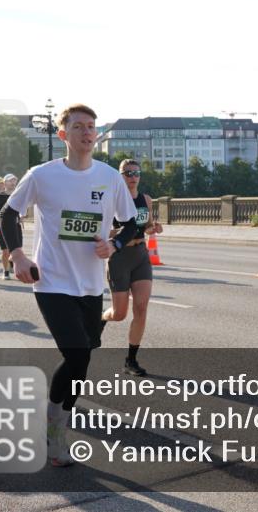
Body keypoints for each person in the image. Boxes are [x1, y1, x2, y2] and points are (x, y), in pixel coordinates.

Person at [1, 104, 137, 467]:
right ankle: (53, 427)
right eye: (78, 127)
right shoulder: (42, 175)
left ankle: (56, 422)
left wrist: (116, 244)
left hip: (91, 285)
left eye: (91, 127)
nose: (87, 132)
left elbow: (132, 223)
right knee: (77, 353)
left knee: (83, 360)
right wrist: (18, 257)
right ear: (63, 135)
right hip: (50, 281)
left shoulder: (110, 178)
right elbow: (9, 212)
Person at [101, 159, 163, 377]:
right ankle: (102, 318)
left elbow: (146, 226)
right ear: (120, 176)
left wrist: (154, 228)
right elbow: (103, 230)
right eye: (128, 173)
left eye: (136, 173)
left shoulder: (145, 199)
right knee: (119, 314)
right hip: (119, 256)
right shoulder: (112, 199)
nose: (132, 177)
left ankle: (131, 360)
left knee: (141, 308)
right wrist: (115, 234)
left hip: (140, 255)